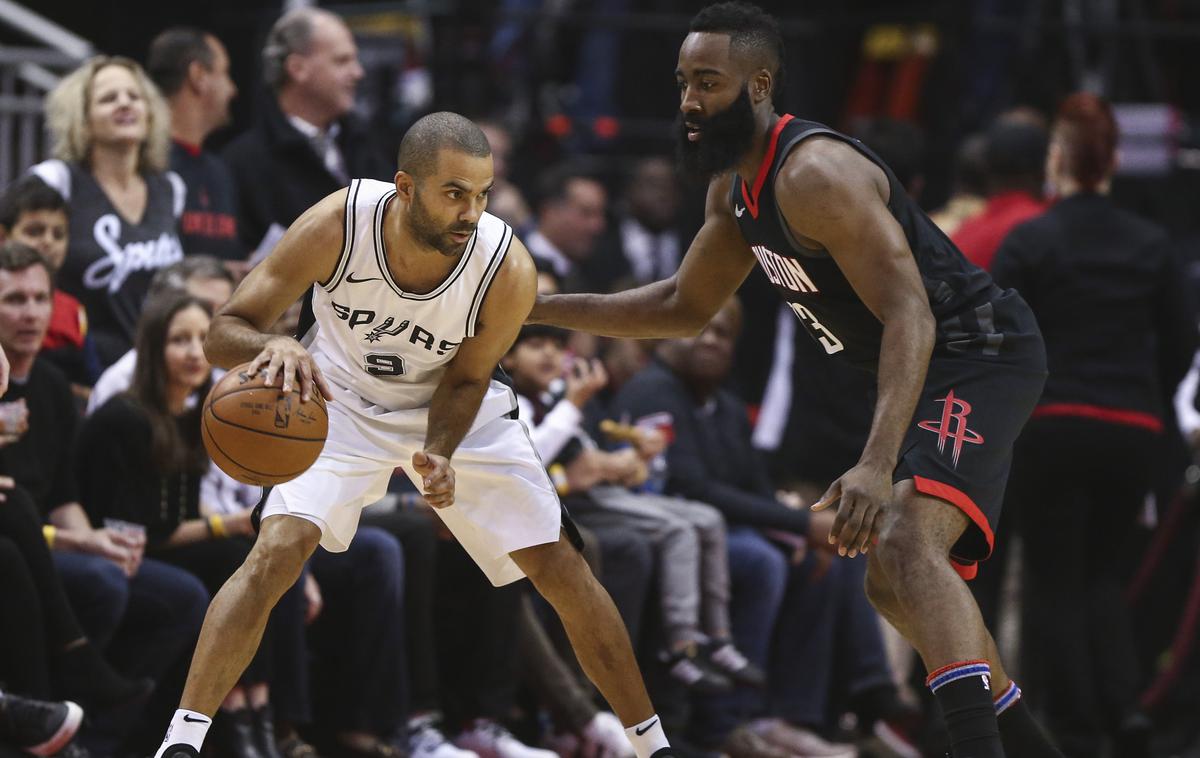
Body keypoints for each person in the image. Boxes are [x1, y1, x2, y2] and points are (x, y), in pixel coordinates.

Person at [528, 4, 1061, 757]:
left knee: (907, 541)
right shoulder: (732, 190)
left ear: (759, 85)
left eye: (707, 82)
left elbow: (912, 315)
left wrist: (876, 466)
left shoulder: (814, 176)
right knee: (887, 579)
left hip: (976, 350)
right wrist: (534, 306)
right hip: (920, 367)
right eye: (683, 81)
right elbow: (681, 307)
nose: (687, 99)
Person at [153, 111, 671, 758]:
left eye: (481, 195)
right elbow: (221, 330)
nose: (470, 212)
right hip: (334, 395)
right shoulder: (340, 223)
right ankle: (181, 742)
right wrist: (271, 348)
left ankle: (653, 745)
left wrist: (443, 451)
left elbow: (468, 378)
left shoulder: (504, 265)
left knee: (560, 563)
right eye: (454, 193)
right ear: (404, 187)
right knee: (275, 551)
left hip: (455, 405)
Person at [991, 93, 1197, 757]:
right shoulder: (1151, 242)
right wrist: (1148, 402)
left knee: (1055, 577)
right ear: (1112, 162)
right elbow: (1180, 339)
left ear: (1057, 158)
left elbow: (999, 337)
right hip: (1131, 428)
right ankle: (1126, 710)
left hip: (1050, 425)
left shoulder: (1030, 240)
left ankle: (1075, 725)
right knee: (1104, 575)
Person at [34, 56, 186, 368]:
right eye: (108, 98)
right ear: (83, 119)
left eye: (134, 96)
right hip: (80, 370)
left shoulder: (171, 188)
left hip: (157, 373)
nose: (124, 104)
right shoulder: (56, 181)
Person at [222, 7, 390, 257]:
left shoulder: (370, 143)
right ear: (297, 68)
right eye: (342, 61)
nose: (358, 72)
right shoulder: (242, 164)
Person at [146, 27, 244, 264]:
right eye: (225, 73)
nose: (233, 90)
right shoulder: (145, 165)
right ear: (198, 75)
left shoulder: (221, 170)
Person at [0, 177, 100, 389]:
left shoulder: (74, 311)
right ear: (3, 236)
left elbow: (93, 386)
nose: (48, 242)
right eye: (35, 231)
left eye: (58, 234)